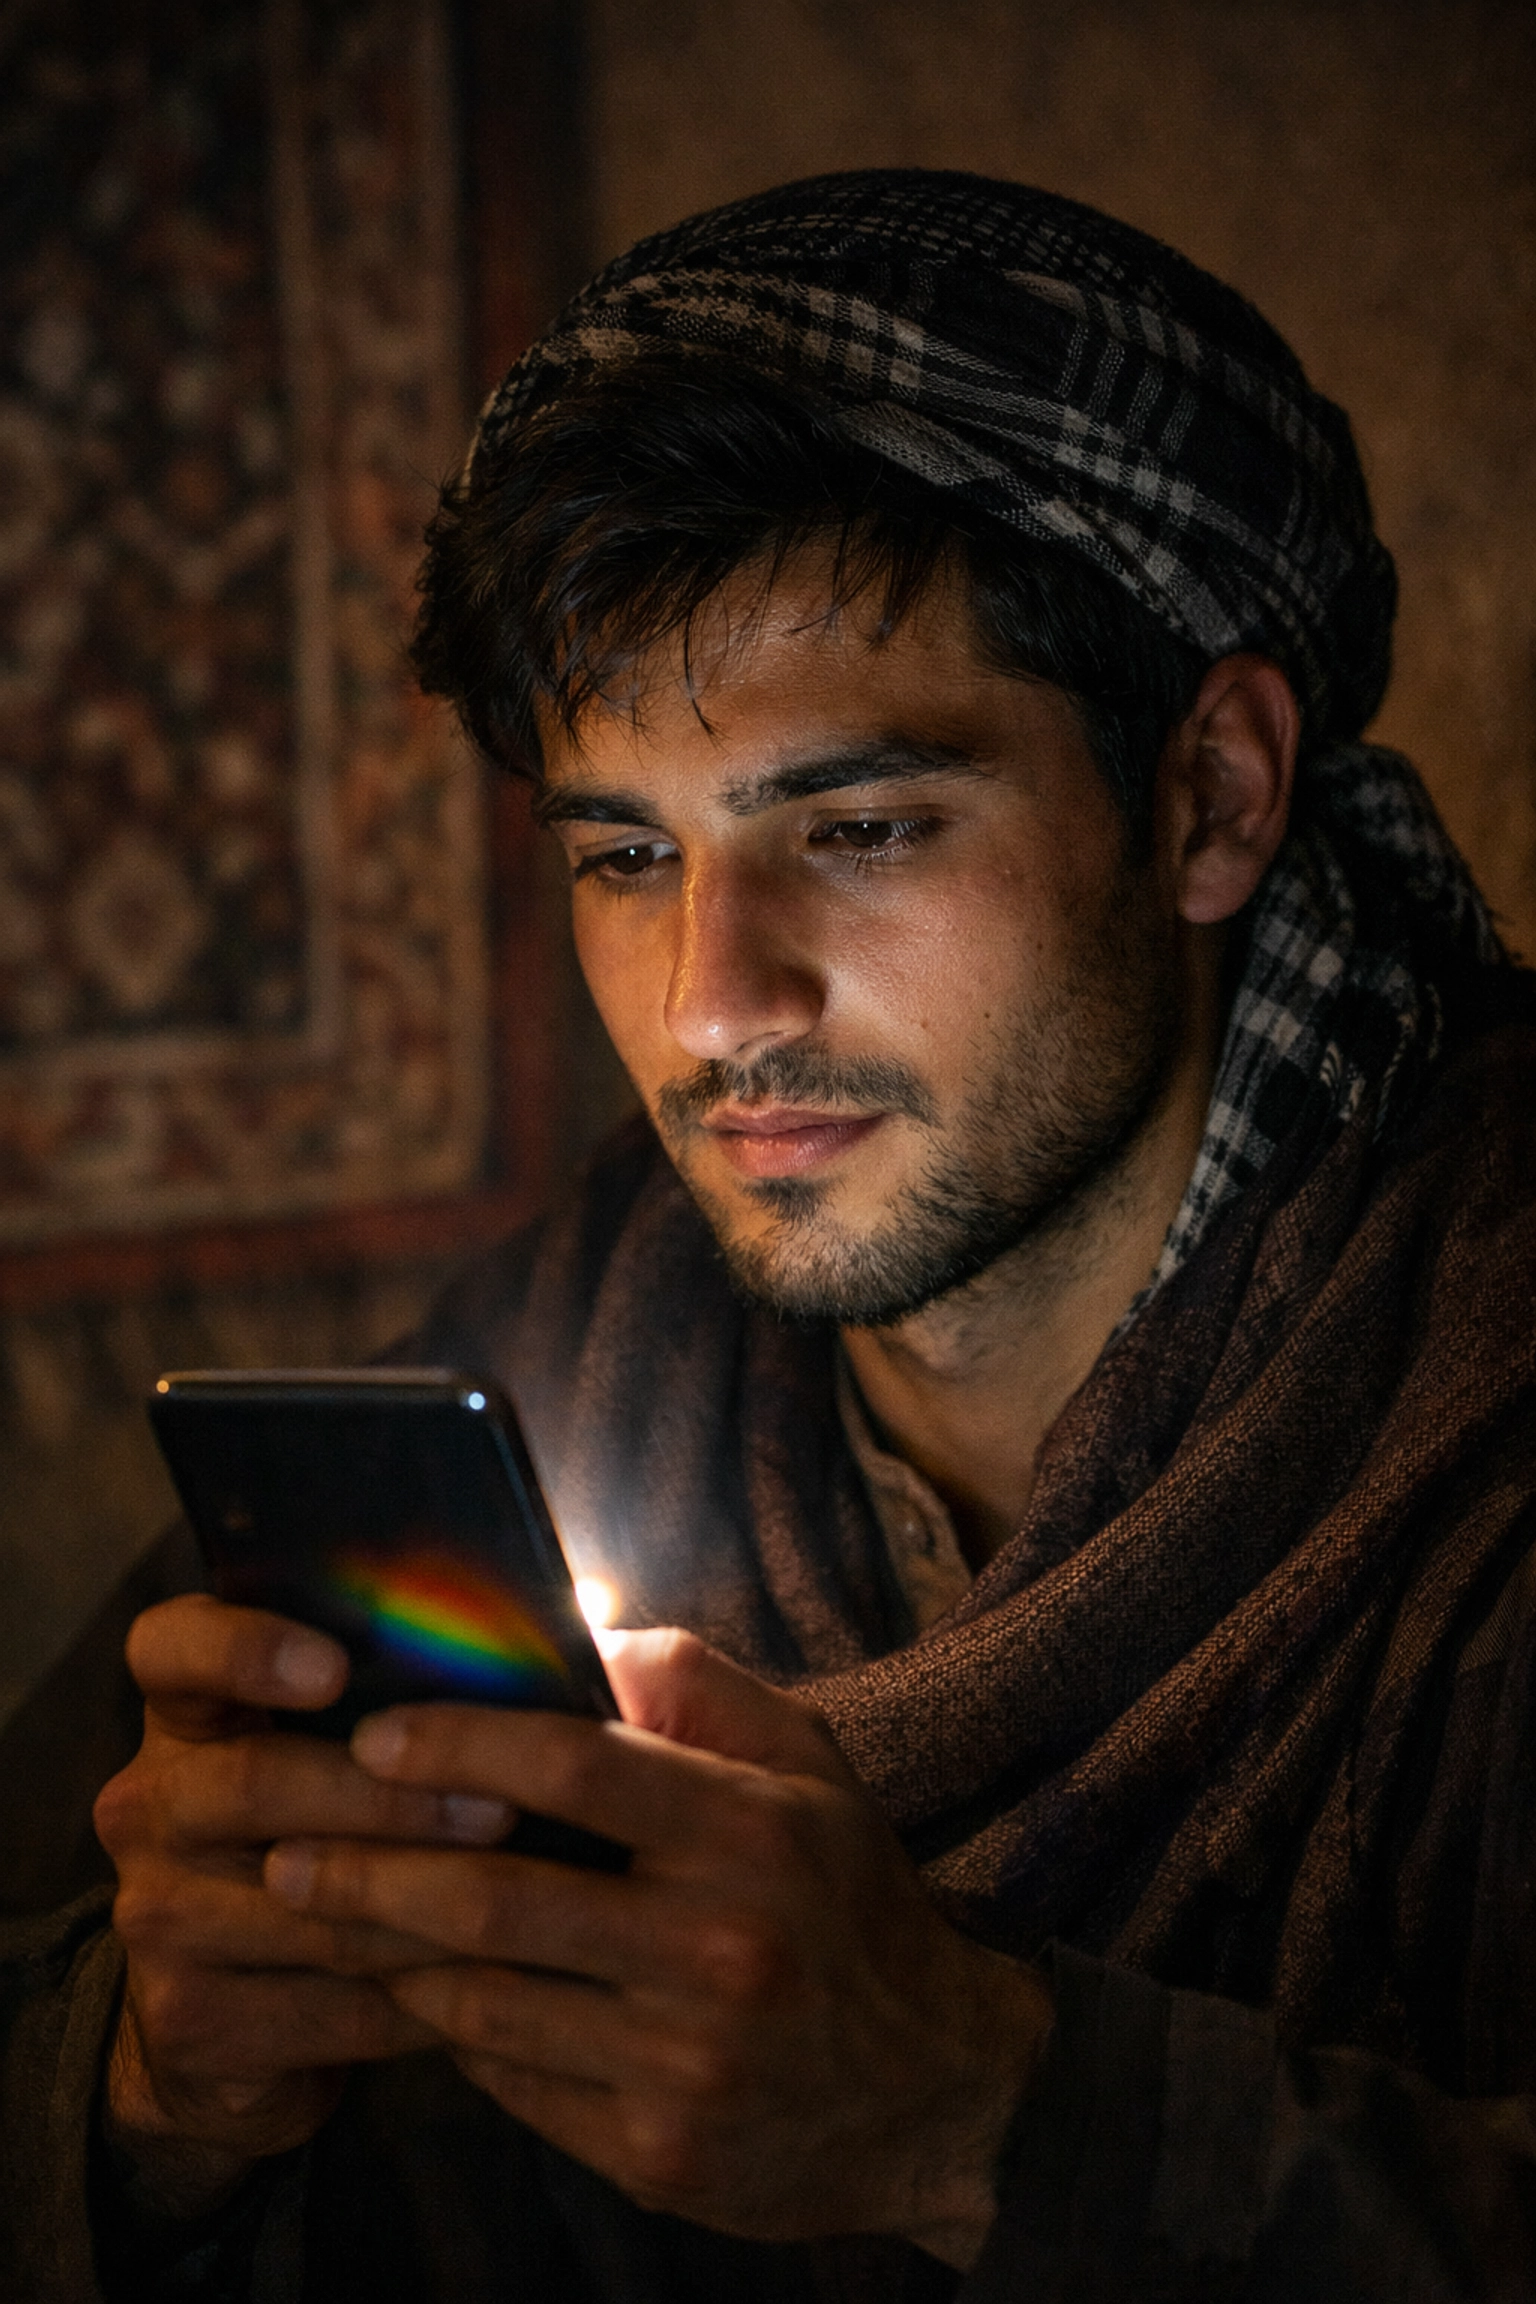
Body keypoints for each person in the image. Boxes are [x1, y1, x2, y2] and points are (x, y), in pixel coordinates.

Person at [3, 169, 1536, 2303]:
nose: (714, 1002)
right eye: (629, 850)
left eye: (864, 824)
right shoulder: (566, 1353)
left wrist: (986, 2113)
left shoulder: (1482, 1415)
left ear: (1211, 796)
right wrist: (155, 2101)